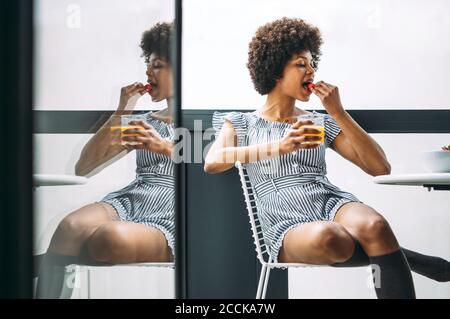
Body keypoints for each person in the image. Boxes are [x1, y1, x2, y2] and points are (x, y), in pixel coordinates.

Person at [204, 17, 449, 299]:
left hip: (329, 201)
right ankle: (406, 256)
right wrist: (278, 147)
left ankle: (384, 245)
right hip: (285, 222)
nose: (311, 71)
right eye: (301, 64)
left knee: (376, 226)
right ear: (275, 71)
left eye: (312, 63)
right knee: (332, 239)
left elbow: (379, 167)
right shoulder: (241, 122)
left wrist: (338, 112)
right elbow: (214, 161)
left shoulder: (319, 122)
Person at [36, 22, 175, 298]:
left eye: (156, 65)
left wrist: (164, 146)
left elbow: (211, 165)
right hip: (132, 199)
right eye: (148, 65)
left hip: (174, 211)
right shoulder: (144, 122)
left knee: (106, 239)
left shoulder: (207, 120)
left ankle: (42, 264)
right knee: (69, 228)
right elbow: (84, 167)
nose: (148, 72)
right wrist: (121, 113)